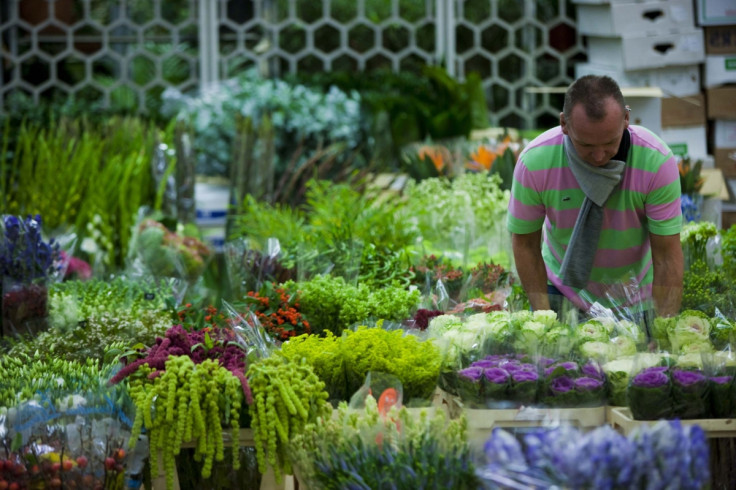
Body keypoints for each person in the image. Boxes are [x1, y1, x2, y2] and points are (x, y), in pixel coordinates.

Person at [507, 75, 683, 321]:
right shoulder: (535, 162)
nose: (600, 156)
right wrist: (543, 317)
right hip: (560, 292)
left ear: (626, 119)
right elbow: (525, 244)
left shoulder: (655, 161)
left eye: (610, 142)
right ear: (564, 124)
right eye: (586, 145)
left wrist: (664, 327)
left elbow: (666, 255)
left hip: (635, 298)